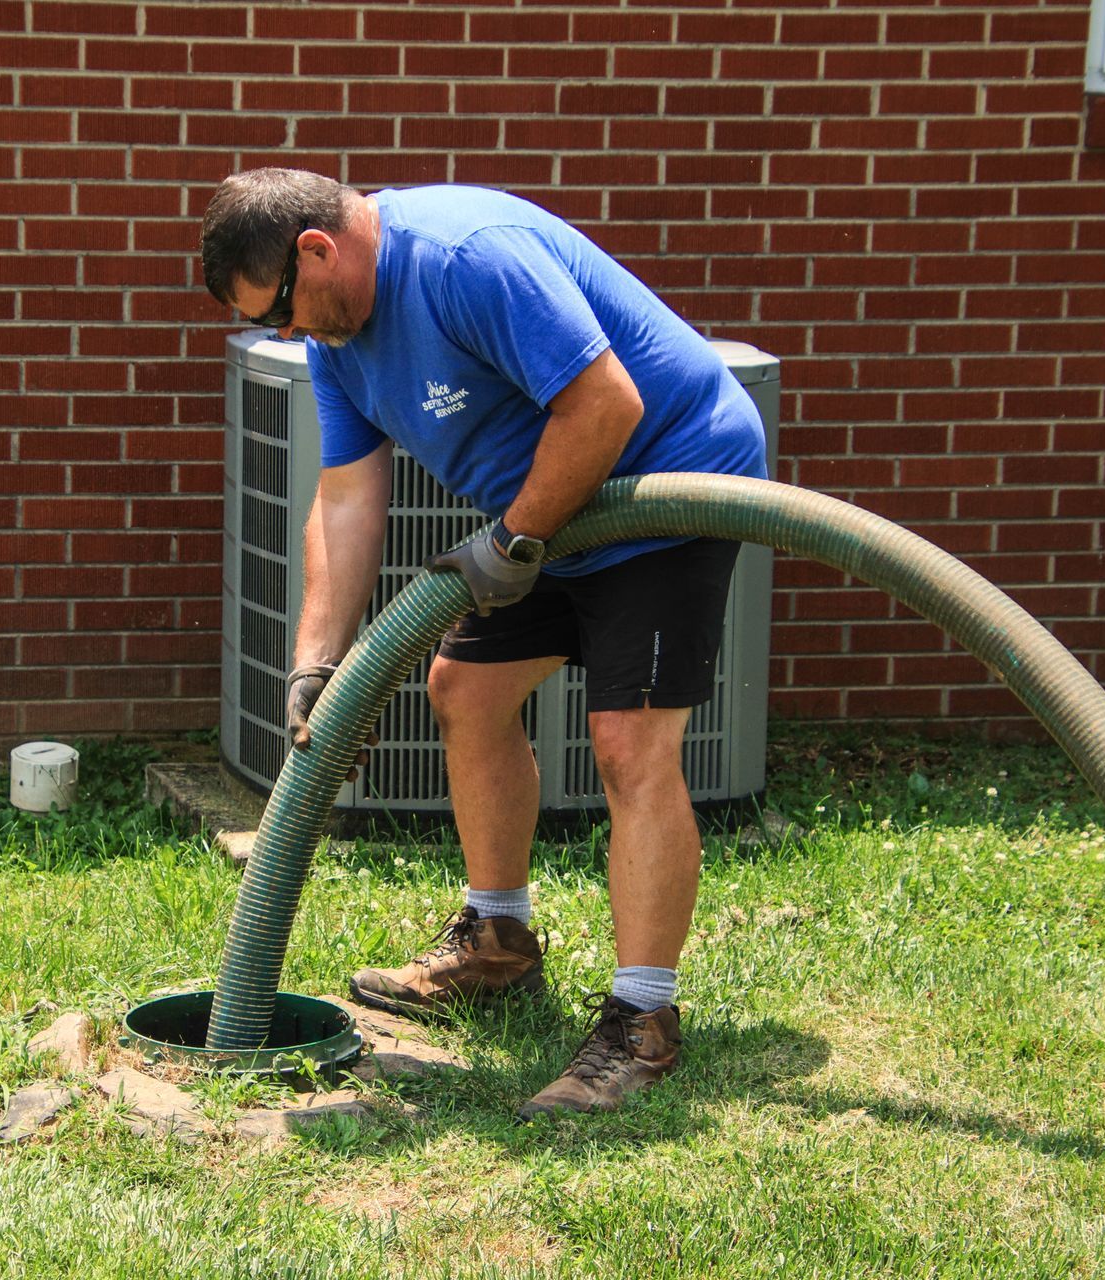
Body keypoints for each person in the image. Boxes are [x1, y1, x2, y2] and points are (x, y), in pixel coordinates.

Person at [198, 169, 767, 1120]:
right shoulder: (341, 338)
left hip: (668, 485)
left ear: (315, 251)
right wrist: (316, 663)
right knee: (463, 689)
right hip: (551, 514)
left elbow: (606, 405)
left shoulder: (466, 259)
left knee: (630, 743)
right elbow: (343, 499)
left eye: (283, 312)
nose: (291, 338)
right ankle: (499, 942)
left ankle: (642, 1022)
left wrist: (513, 541)